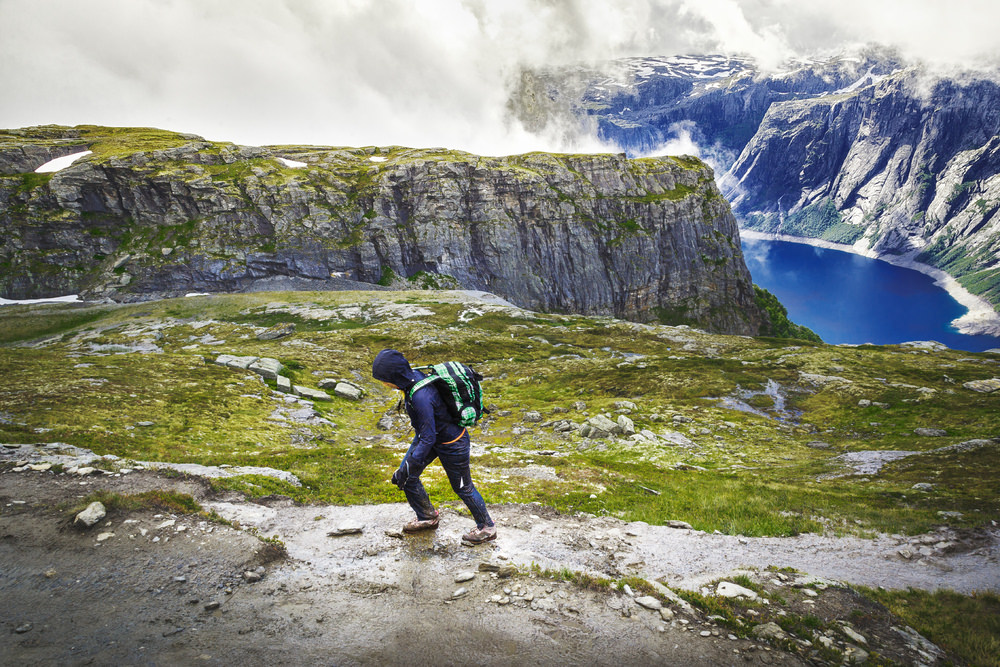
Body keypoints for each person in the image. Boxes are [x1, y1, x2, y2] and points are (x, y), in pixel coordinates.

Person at [371, 348, 497, 545]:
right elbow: (427, 435)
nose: (383, 383)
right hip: (429, 438)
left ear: (393, 376)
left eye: (383, 378)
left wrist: (409, 464)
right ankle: (427, 516)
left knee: (463, 487)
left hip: (453, 443)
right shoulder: (411, 378)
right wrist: (407, 468)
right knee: (407, 477)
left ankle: (487, 527)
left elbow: (428, 438)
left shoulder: (420, 397)